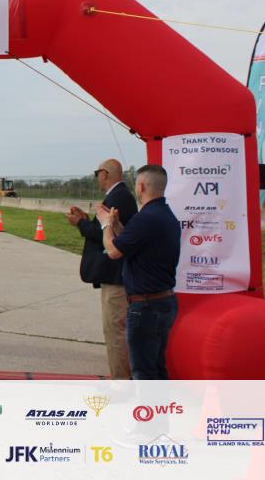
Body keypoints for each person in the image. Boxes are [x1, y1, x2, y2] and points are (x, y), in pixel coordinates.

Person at [96, 164, 181, 380]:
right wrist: (116, 226)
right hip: (164, 301)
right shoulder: (164, 215)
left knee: (143, 371)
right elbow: (131, 242)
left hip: (146, 307)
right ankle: (159, 403)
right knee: (156, 367)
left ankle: (147, 403)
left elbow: (114, 251)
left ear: (141, 186)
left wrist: (106, 225)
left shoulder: (146, 218)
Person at [64, 159, 137, 379]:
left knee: (115, 331)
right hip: (115, 276)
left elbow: (104, 232)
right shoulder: (119, 196)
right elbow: (103, 228)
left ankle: (121, 382)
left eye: (97, 173)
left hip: (116, 277)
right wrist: (85, 220)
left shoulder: (118, 197)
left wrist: (79, 223)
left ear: (105, 173)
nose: (97, 178)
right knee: (116, 330)